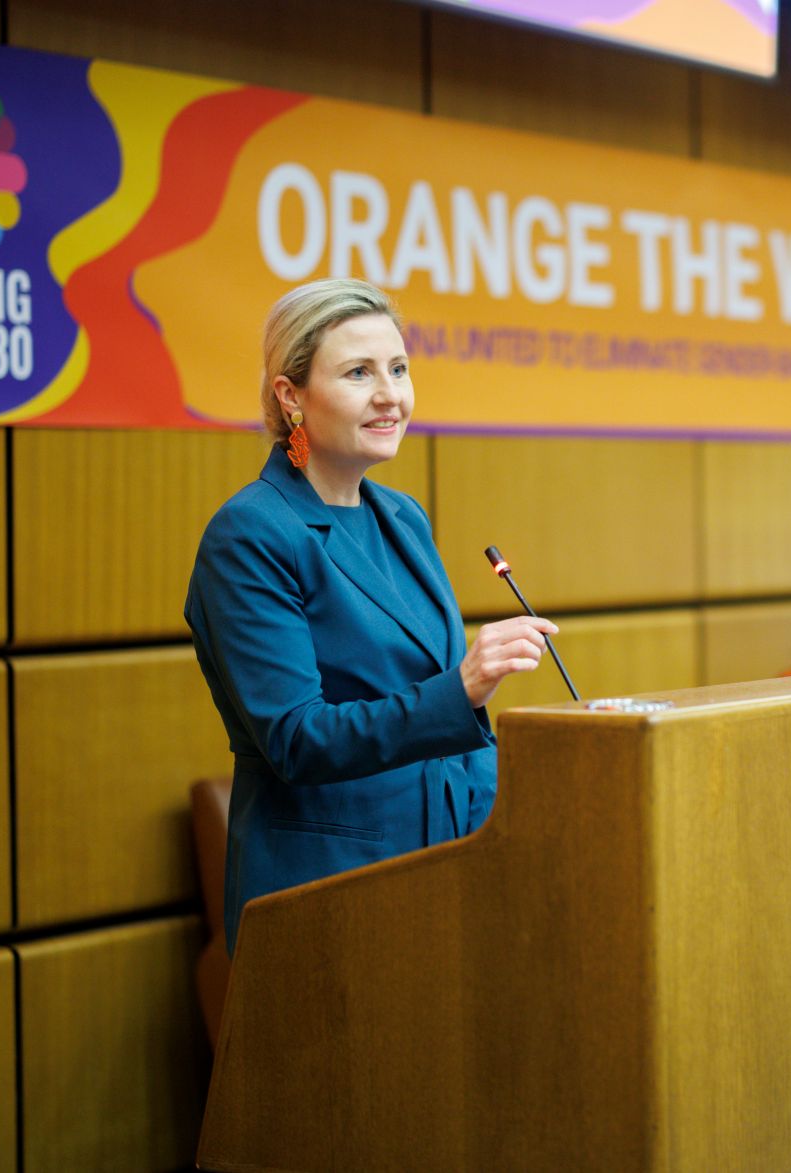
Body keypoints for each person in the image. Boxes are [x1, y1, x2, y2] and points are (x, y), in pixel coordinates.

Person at [186, 278, 556, 954]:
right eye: (359, 372)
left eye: (399, 368)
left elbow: (449, 734)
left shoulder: (403, 518)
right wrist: (463, 688)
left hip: (446, 870)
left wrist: (539, 807)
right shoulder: (252, 534)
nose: (390, 393)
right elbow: (298, 737)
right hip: (329, 899)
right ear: (289, 395)